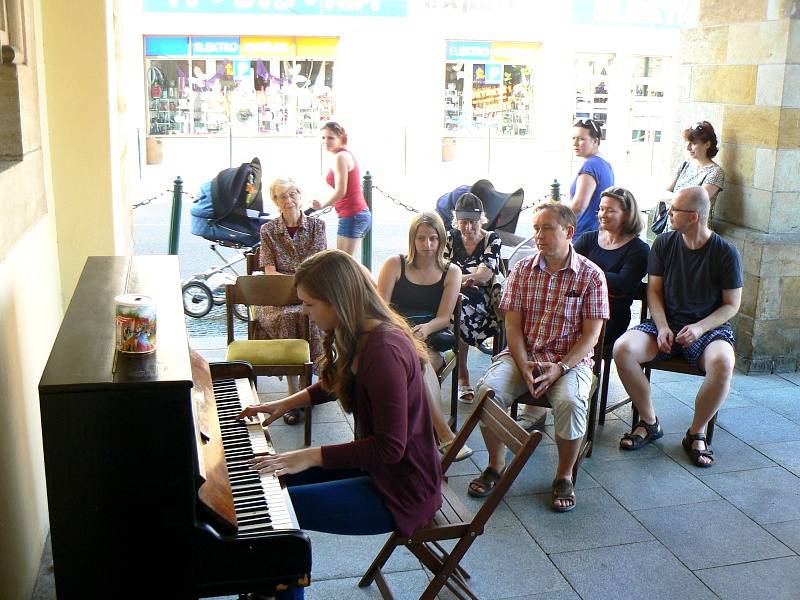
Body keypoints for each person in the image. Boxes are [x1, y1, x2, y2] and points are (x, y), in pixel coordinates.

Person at [237, 250, 442, 599]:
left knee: (279, 522)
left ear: (336, 300)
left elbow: (391, 448)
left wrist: (312, 455)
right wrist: (284, 403)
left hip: (401, 489)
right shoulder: (363, 332)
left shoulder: (384, 350)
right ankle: (263, 588)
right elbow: (339, 381)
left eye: (309, 304)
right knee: (268, 483)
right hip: (378, 470)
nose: (304, 312)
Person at [467, 201, 608, 512]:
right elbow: (512, 327)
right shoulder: (522, 269)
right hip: (523, 355)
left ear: (569, 232)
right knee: (486, 393)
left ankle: (564, 474)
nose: (539, 235)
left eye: (547, 228)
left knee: (571, 401)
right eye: (536, 228)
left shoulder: (591, 276)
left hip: (570, 362)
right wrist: (522, 363)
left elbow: (591, 337)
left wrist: (559, 368)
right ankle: (495, 463)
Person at [613, 186, 742, 467]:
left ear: (694, 217)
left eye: (674, 211)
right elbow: (654, 292)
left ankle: (696, 432)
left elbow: (732, 305)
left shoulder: (725, 252)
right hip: (666, 322)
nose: (668, 214)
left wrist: (699, 328)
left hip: (709, 329)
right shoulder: (664, 243)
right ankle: (649, 422)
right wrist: (661, 327)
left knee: (723, 362)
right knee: (623, 349)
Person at [377, 212, 473, 461]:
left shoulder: (451, 271)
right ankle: (443, 436)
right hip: (393, 336)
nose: (428, 245)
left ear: (442, 240)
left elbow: (444, 317)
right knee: (414, 362)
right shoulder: (394, 264)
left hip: (430, 338)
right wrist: (402, 331)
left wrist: (425, 329)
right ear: (413, 239)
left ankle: (426, 435)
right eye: (421, 239)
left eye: (433, 239)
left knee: (421, 362)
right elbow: (380, 309)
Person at [254, 177, 326, 426]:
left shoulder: (317, 226)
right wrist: (294, 281)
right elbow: (269, 271)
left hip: (312, 291)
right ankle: (293, 393)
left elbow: (319, 266)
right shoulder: (268, 230)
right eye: (283, 196)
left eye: (293, 194)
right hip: (278, 297)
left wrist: (302, 284)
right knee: (287, 316)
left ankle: (308, 387)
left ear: (300, 196)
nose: (289, 200)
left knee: (307, 313)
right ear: (276, 201)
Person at [443, 192, 502, 403]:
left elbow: (484, 275)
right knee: (456, 306)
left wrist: (455, 277)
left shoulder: (491, 239)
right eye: (463, 222)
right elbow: (441, 271)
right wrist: (462, 279)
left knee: (458, 308)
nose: (468, 228)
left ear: (481, 220)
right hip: (455, 296)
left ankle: (464, 374)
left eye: (473, 222)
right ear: (456, 220)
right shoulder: (451, 237)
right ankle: (462, 374)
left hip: (484, 301)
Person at [572, 186, 649, 346]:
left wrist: (585, 272)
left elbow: (622, 285)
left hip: (610, 317)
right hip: (576, 309)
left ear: (627, 215)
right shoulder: (588, 239)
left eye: (610, 211)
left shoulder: (639, 249)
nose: (602, 215)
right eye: (601, 209)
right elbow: (568, 269)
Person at [311, 121, 371, 256]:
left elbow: (341, 191)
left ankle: (368, 278)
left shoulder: (340, 157)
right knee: (345, 263)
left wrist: (322, 205)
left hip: (353, 214)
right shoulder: (343, 154)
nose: (326, 141)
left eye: (331, 138)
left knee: (344, 264)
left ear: (341, 139)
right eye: (323, 138)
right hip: (353, 214)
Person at [663, 120, 724, 231]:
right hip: (671, 228)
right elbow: (662, 193)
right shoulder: (684, 165)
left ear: (707, 144)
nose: (688, 147)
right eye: (688, 143)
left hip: (696, 232)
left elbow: (695, 202)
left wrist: (672, 199)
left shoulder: (715, 172)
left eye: (694, 143)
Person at [570, 118, 614, 236]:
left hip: (582, 234)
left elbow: (579, 205)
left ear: (595, 141)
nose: (575, 143)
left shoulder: (590, 165)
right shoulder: (605, 164)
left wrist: (555, 221)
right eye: (573, 138)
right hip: (597, 233)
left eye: (581, 139)